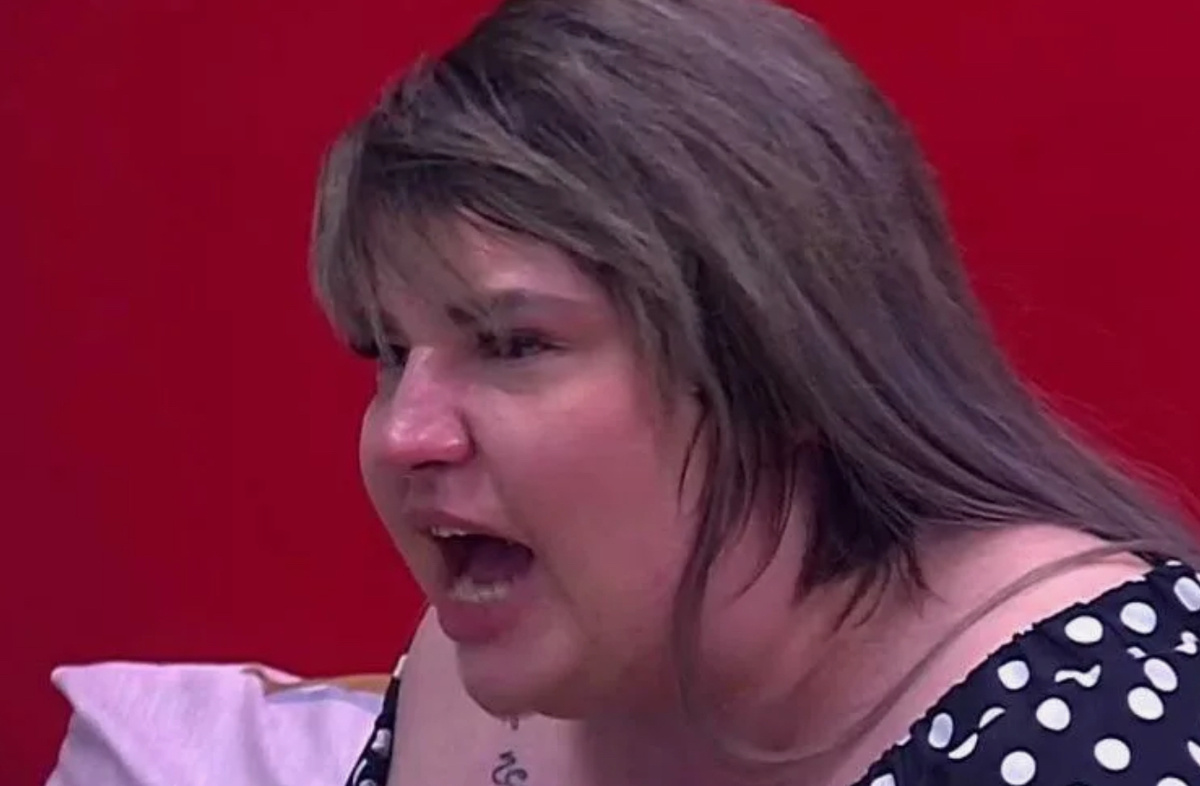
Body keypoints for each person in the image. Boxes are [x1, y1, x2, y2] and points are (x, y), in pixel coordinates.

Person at [310, 0, 1200, 783]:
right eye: (388, 354)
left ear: (783, 364)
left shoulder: (1097, 718)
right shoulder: (477, 674)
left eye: (515, 344)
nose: (403, 435)